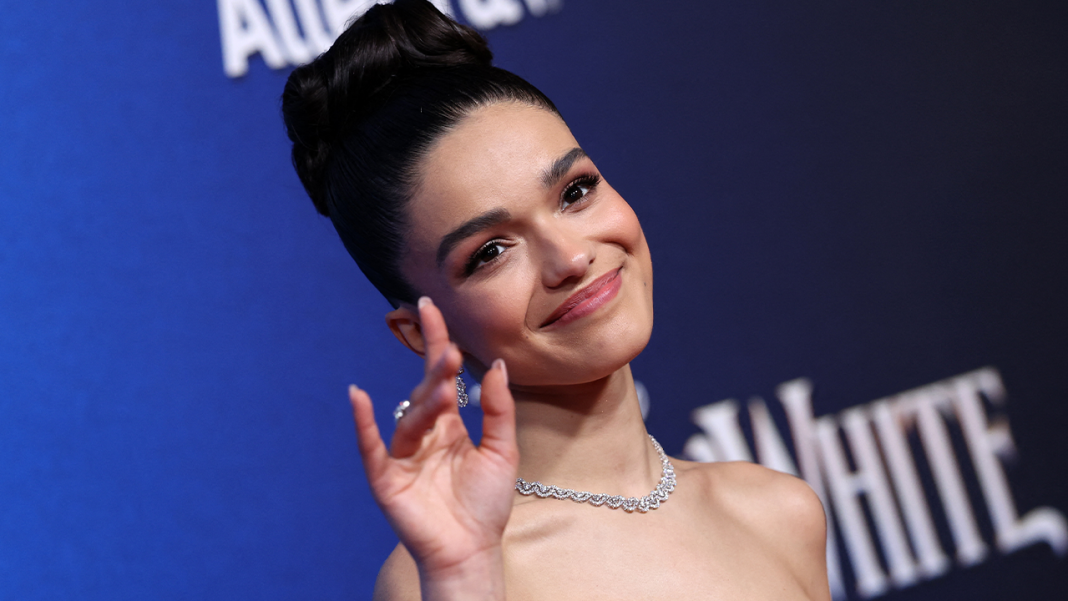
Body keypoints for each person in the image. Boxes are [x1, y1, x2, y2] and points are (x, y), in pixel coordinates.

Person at [282, 1, 831, 599]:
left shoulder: (778, 512)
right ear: (421, 331)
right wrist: (463, 579)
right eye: (491, 251)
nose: (569, 258)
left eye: (575, 192)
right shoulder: (442, 577)